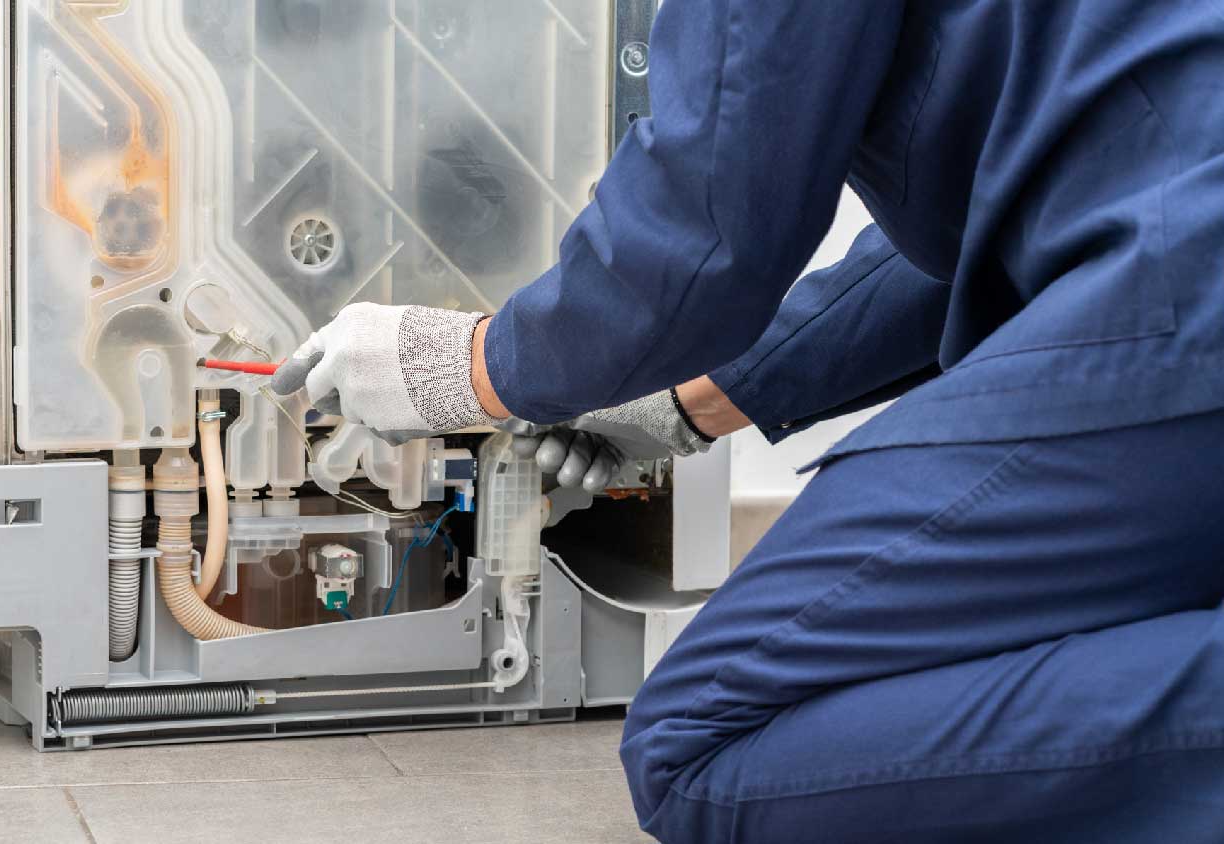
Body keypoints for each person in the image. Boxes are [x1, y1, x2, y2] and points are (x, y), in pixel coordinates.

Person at [271, 1, 1224, 840]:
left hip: (1181, 291)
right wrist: (683, 406)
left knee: (701, 746)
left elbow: (708, 217)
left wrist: (465, 369)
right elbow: (983, 229)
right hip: (1172, 251)